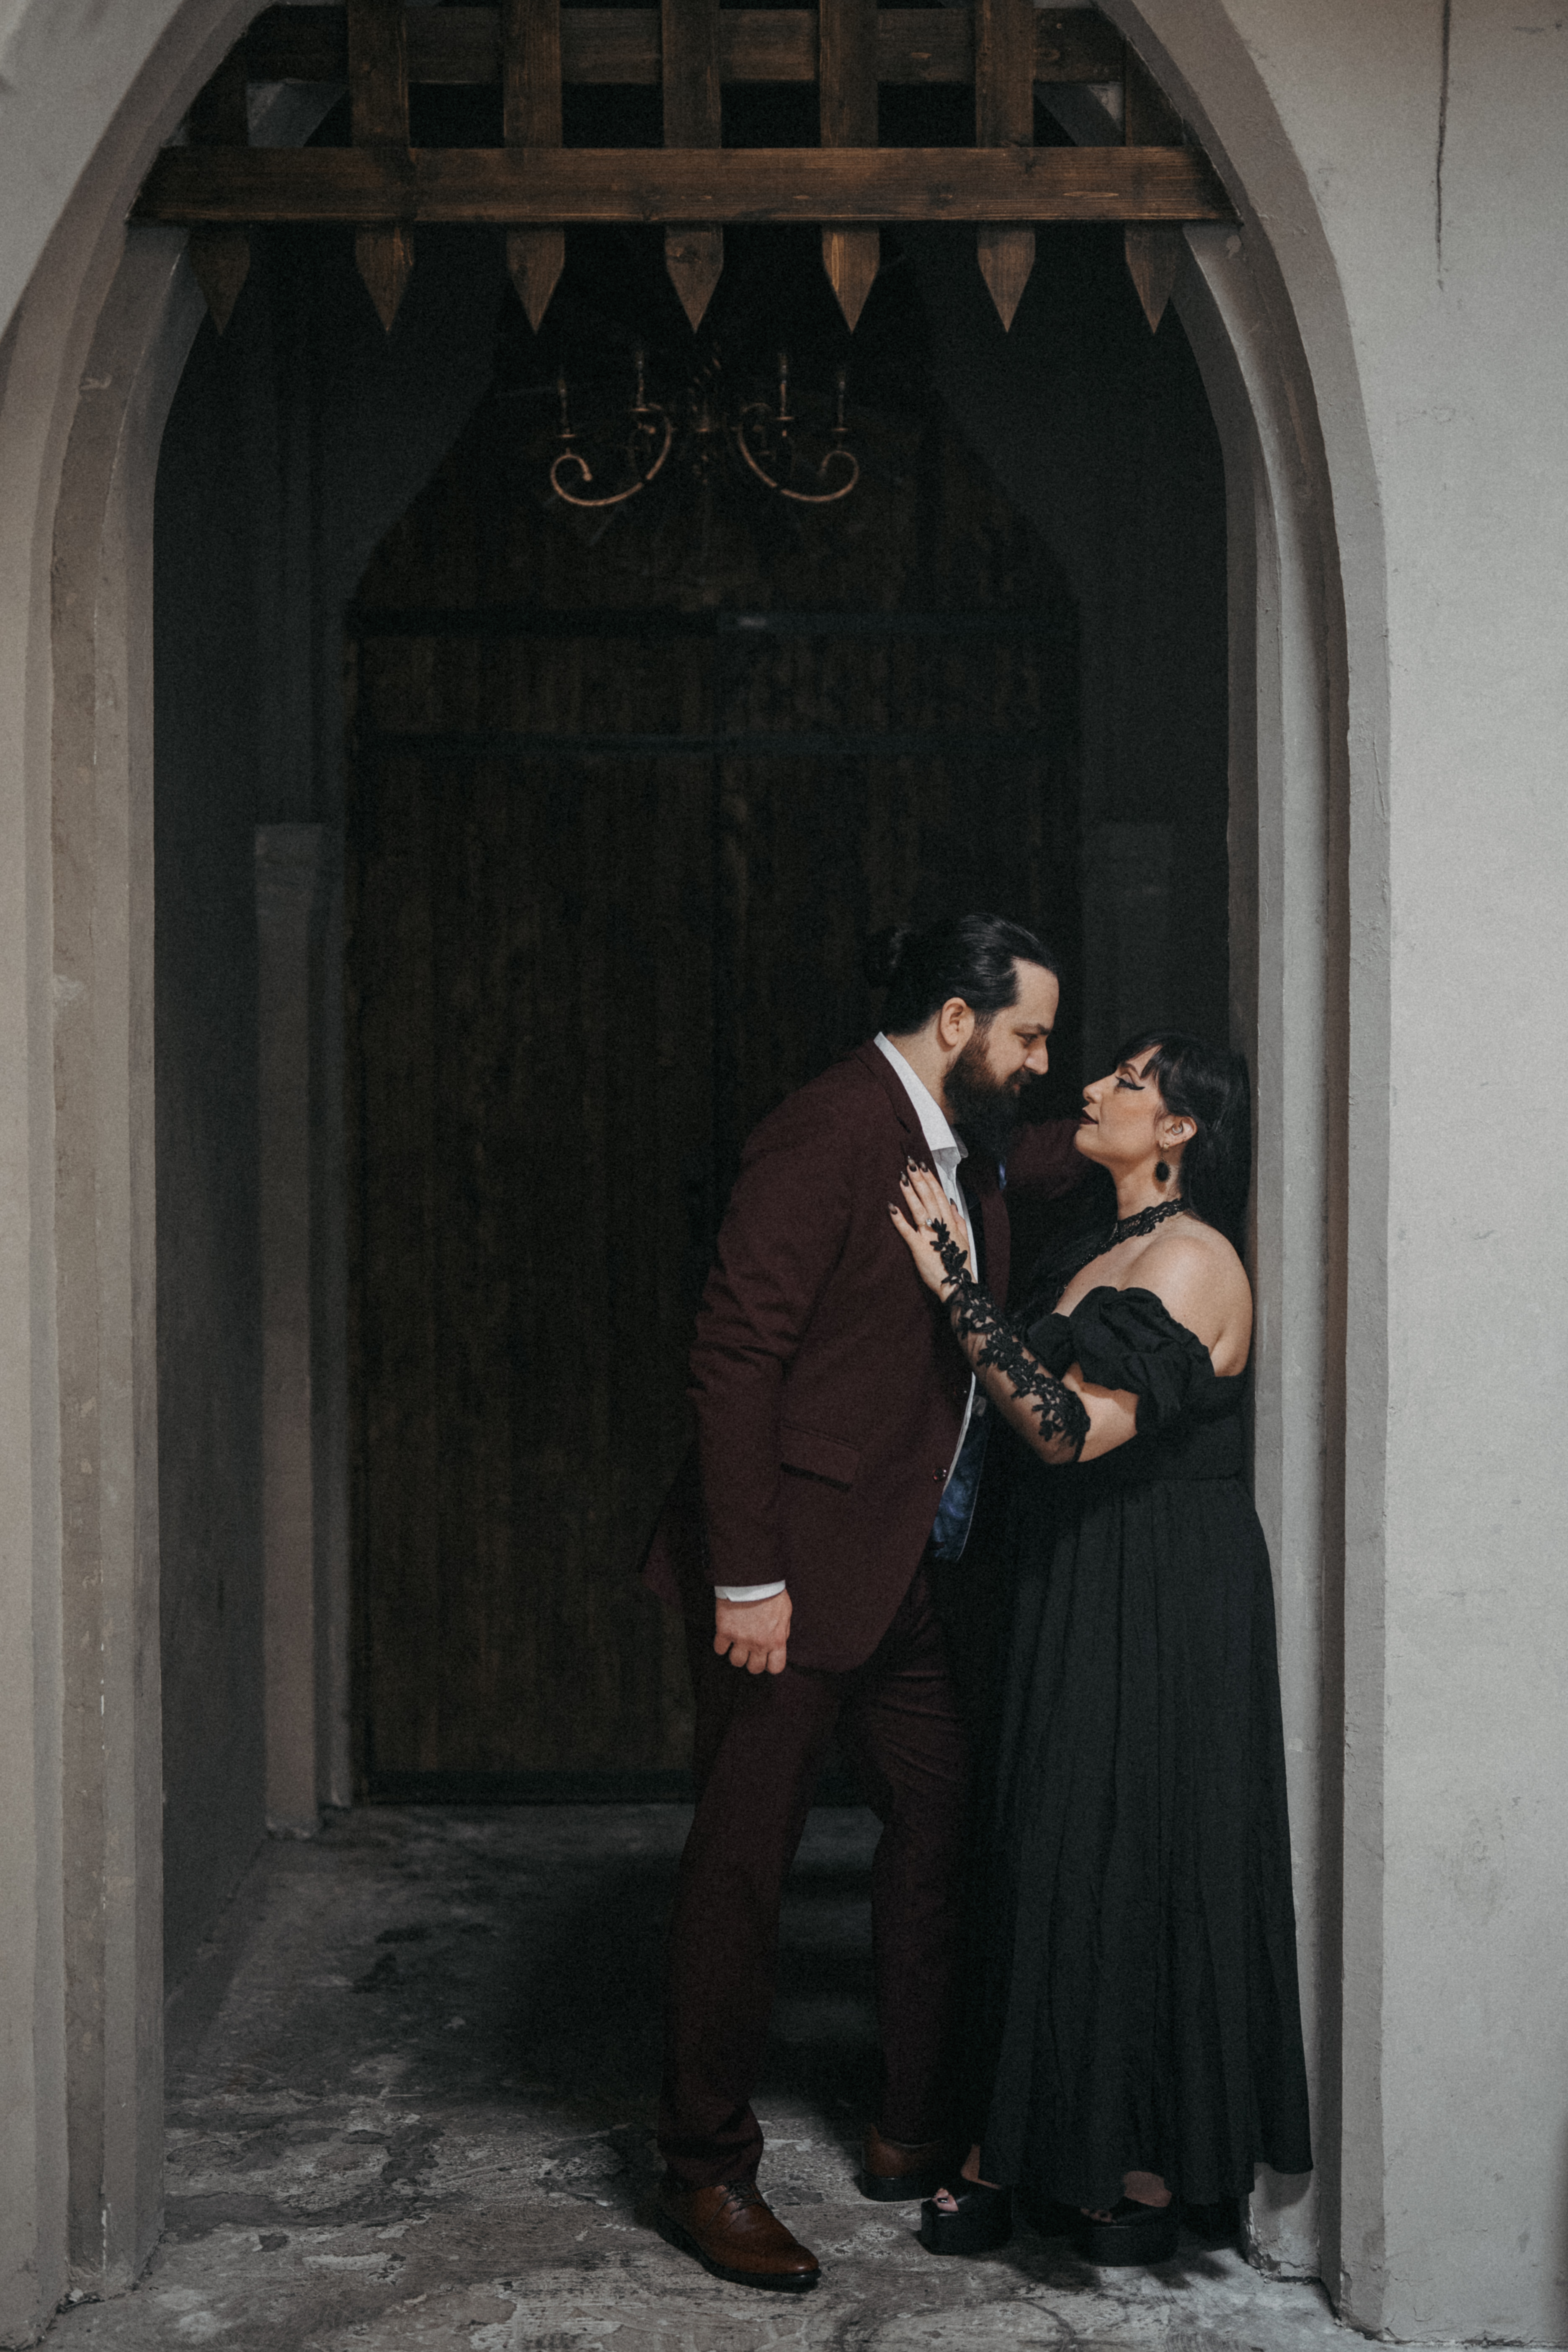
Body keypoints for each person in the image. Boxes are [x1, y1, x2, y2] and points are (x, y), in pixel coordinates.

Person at [641, 913, 1088, 2293]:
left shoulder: (963, 1142)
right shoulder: (829, 1130)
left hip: (898, 1577)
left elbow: (1051, 1153)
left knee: (942, 1820)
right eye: (1030, 1037)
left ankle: (907, 2124)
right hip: (785, 1579)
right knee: (743, 1866)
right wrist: (748, 1579)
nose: (1043, 1063)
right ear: (958, 1023)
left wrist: (1171, 1109)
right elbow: (734, 1356)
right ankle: (704, 2167)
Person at [889, 1032, 1313, 2267]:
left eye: (1128, 1083)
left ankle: (1135, 2166)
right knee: (1053, 1843)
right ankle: (1037, 2147)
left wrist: (956, 1286)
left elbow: (1068, 1429)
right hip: (1082, 1570)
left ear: (1179, 1130)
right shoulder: (1100, 1245)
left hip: (1164, 1586)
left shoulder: (1195, 1259)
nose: (1093, 1088)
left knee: (1135, 1848)